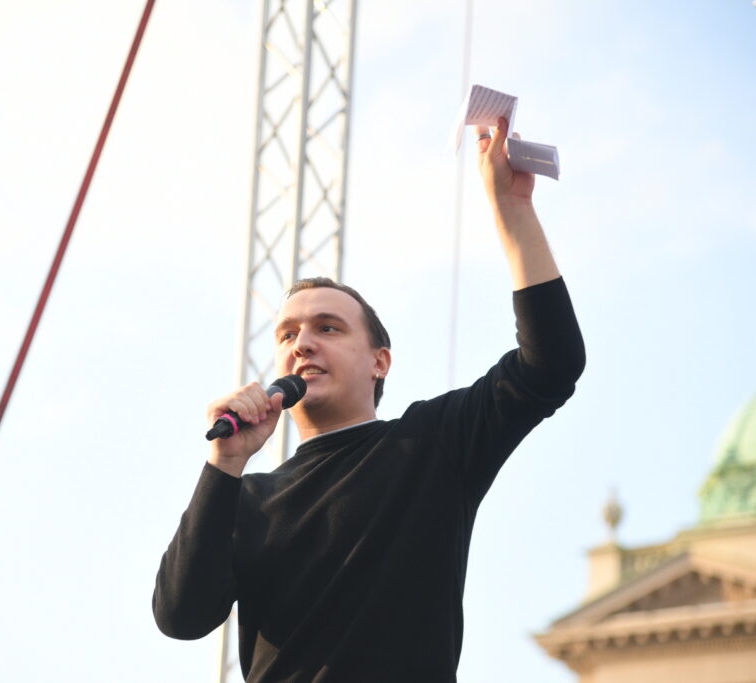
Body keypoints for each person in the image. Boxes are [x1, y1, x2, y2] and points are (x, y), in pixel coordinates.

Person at [152, 117, 585, 682]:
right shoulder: (248, 497)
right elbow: (181, 616)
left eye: (328, 328)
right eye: (287, 335)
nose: (302, 342)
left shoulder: (431, 443)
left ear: (379, 361)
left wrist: (513, 211)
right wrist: (224, 464)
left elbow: (549, 365)